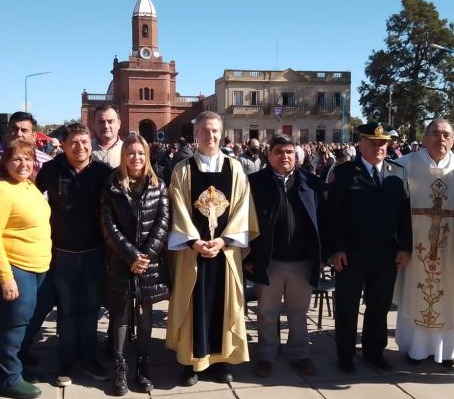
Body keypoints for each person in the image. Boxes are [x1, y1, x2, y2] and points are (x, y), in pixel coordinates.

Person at [165, 111, 258, 386]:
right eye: (205, 130)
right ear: (196, 134)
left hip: (225, 252)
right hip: (192, 252)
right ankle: (191, 362)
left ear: (222, 133)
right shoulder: (182, 169)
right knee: (193, 303)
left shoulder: (236, 168)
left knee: (224, 303)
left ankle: (221, 360)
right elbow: (177, 208)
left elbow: (243, 207)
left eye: (215, 131)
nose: (211, 136)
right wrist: (194, 241)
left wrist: (224, 240)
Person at [327, 122, 412, 374]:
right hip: (351, 253)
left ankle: (374, 352)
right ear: (360, 144)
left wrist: (405, 247)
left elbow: (405, 215)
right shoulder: (344, 173)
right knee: (347, 306)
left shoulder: (397, 172)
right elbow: (333, 215)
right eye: (373, 143)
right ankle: (345, 355)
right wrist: (336, 249)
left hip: (385, 253)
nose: (379, 148)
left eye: (383, 143)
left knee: (379, 305)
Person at [35, 122, 114, 386]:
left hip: (94, 252)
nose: (80, 147)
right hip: (62, 253)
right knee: (67, 309)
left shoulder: (103, 172)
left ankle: (89, 357)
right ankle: (67, 360)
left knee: (91, 308)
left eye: (84, 142)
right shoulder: (51, 169)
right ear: (64, 145)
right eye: (73, 143)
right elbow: (31, 200)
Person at [393, 119, 454, 367]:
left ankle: (447, 351)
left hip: (453, 248)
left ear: (453, 139)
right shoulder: (404, 165)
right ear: (425, 137)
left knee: (449, 293)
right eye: (435, 133)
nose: (441, 139)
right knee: (415, 294)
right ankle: (415, 349)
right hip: (415, 246)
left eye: (447, 135)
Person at [245, 134, 327, 379]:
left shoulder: (311, 183)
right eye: (279, 151)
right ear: (268, 155)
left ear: (297, 156)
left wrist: (322, 255)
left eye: (289, 151)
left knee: (299, 312)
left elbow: (324, 221)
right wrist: (247, 257)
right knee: (267, 313)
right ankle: (266, 356)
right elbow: (244, 223)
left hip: (302, 261)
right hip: (268, 261)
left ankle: (300, 354)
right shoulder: (254, 183)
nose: (284, 156)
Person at [0, 111, 52, 368]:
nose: (19, 134)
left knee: (22, 314)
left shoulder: (39, 171)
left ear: (33, 134)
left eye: (25, 130)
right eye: (15, 129)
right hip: (7, 258)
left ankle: (15, 357)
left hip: (36, 260)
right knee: (3, 313)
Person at [100, 134, 170, 395]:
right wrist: (130, 256)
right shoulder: (111, 185)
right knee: (120, 315)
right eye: (131, 153)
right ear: (123, 156)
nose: (136, 158)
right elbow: (108, 226)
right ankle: (120, 368)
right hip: (120, 261)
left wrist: (145, 256)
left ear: (147, 156)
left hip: (149, 265)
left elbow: (163, 224)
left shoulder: (158, 185)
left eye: (140, 153)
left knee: (144, 316)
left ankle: (143, 366)